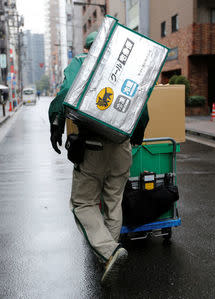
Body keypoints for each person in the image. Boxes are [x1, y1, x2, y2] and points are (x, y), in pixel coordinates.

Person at [48, 31, 149, 286]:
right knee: (113, 203)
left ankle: (108, 252)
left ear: (87, 47)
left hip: (93, 147)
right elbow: (142, 108)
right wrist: (136, 135)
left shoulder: (82, 63)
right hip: (122, 147)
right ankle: (109, 256)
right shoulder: (127, 67)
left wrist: (56, 123)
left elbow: (67, 92)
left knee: (83, 204)